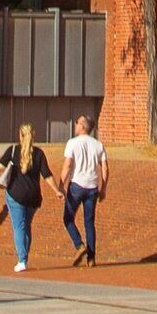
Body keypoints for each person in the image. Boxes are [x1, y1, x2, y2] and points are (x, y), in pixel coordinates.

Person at [0, 124, 51, 274]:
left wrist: (10, 165)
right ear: (33, 135)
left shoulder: (13, 150)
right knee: (26, 225)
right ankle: (24, 256)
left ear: (20, 135)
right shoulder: (39, 153)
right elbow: (47, 174)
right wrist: (58, 191)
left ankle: (22, 260)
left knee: (19, 226)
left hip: (15, 194)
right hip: (33, 196)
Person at [58, 114, 109, 266]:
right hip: (92, 186)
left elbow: (67, 165)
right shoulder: (98, 145)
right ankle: (91, 258)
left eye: (77, 122)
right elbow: (105, 168)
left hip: (76, 186)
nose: (75, 125)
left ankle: (79, 245)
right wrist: (103, 188)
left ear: (83, 126)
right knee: (89, 222)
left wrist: (61, 184)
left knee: (68, 218)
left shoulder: (72, 143)